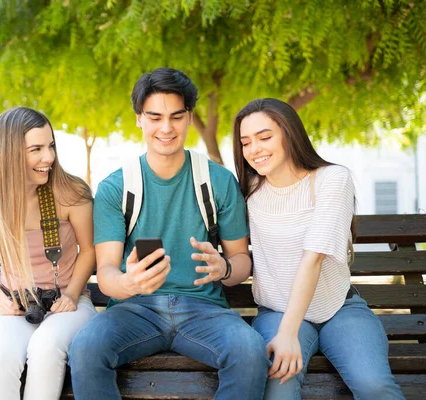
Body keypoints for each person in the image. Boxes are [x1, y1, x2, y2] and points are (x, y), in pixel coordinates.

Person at [69, 68, 269, 400]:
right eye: (155, 117)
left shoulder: (218, 182)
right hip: (134, 309)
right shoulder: (115, 187)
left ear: (189, 117)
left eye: (176, 117)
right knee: (86, 348)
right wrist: (128, 282)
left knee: (249, 350)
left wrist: (226, 269)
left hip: (204, 309)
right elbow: (105, 272)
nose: (166, 128)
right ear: (139, 119)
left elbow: (241, 261)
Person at [233, 98, 405, 399]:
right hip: (276, 311)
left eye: (265, 137)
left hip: (339, 310)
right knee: (277, 386)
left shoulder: (332, 179)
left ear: (289, 133)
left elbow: (312, 259)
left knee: (374, 386)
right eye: (246, 142)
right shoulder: (249, 193)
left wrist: (288, 334)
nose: (254, 149)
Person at [0, 107, 97, 400]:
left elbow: (89, 251)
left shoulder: (70, 193)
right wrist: (3, 301)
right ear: (9, 152)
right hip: (14, 305)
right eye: (36, 149)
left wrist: (71, 295)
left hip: (68, 303)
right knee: (0, 355)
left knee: (46, 347)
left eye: (50, 146)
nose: (48, 157)